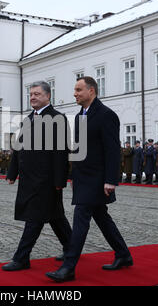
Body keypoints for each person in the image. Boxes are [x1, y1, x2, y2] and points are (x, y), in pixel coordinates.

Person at [46, 76, 132, 283]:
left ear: (91, 91)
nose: (74, 93)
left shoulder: (106, 115)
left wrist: (111, 180)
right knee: (101, 217)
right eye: (75, 90)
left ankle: (69, 267)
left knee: (81, 217)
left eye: (78, 89)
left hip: (98, 178)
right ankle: (123, 254)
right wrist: (73, 174)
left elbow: (112, 151)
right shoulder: (79, 116)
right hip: (83, 177)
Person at [3, 81, 72, 272]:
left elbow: (60, 152)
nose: (33, 97)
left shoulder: (57, 118)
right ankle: (72, 248)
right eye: (31, 94)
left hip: (46, 180)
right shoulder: (27, 119)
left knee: (34, 218)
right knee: (56, 217)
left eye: (37, 94)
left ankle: (21, 258)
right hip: (28, 179)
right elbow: (18, 149)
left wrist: (60, 181)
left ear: (48, 96)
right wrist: (12, 172)